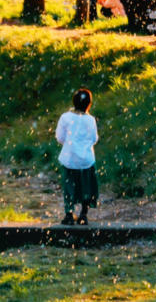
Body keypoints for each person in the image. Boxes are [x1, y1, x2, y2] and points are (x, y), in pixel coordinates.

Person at [55, 88, 99, 225]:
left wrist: (69, 144)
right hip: (86, 159)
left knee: (69, 186)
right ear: (89, 104)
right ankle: (83, 214)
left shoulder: (65, 117)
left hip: (70, 158)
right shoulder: (90, 120)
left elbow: (60, 137)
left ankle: (69, 212)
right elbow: (94, 139)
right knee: (87, 186)